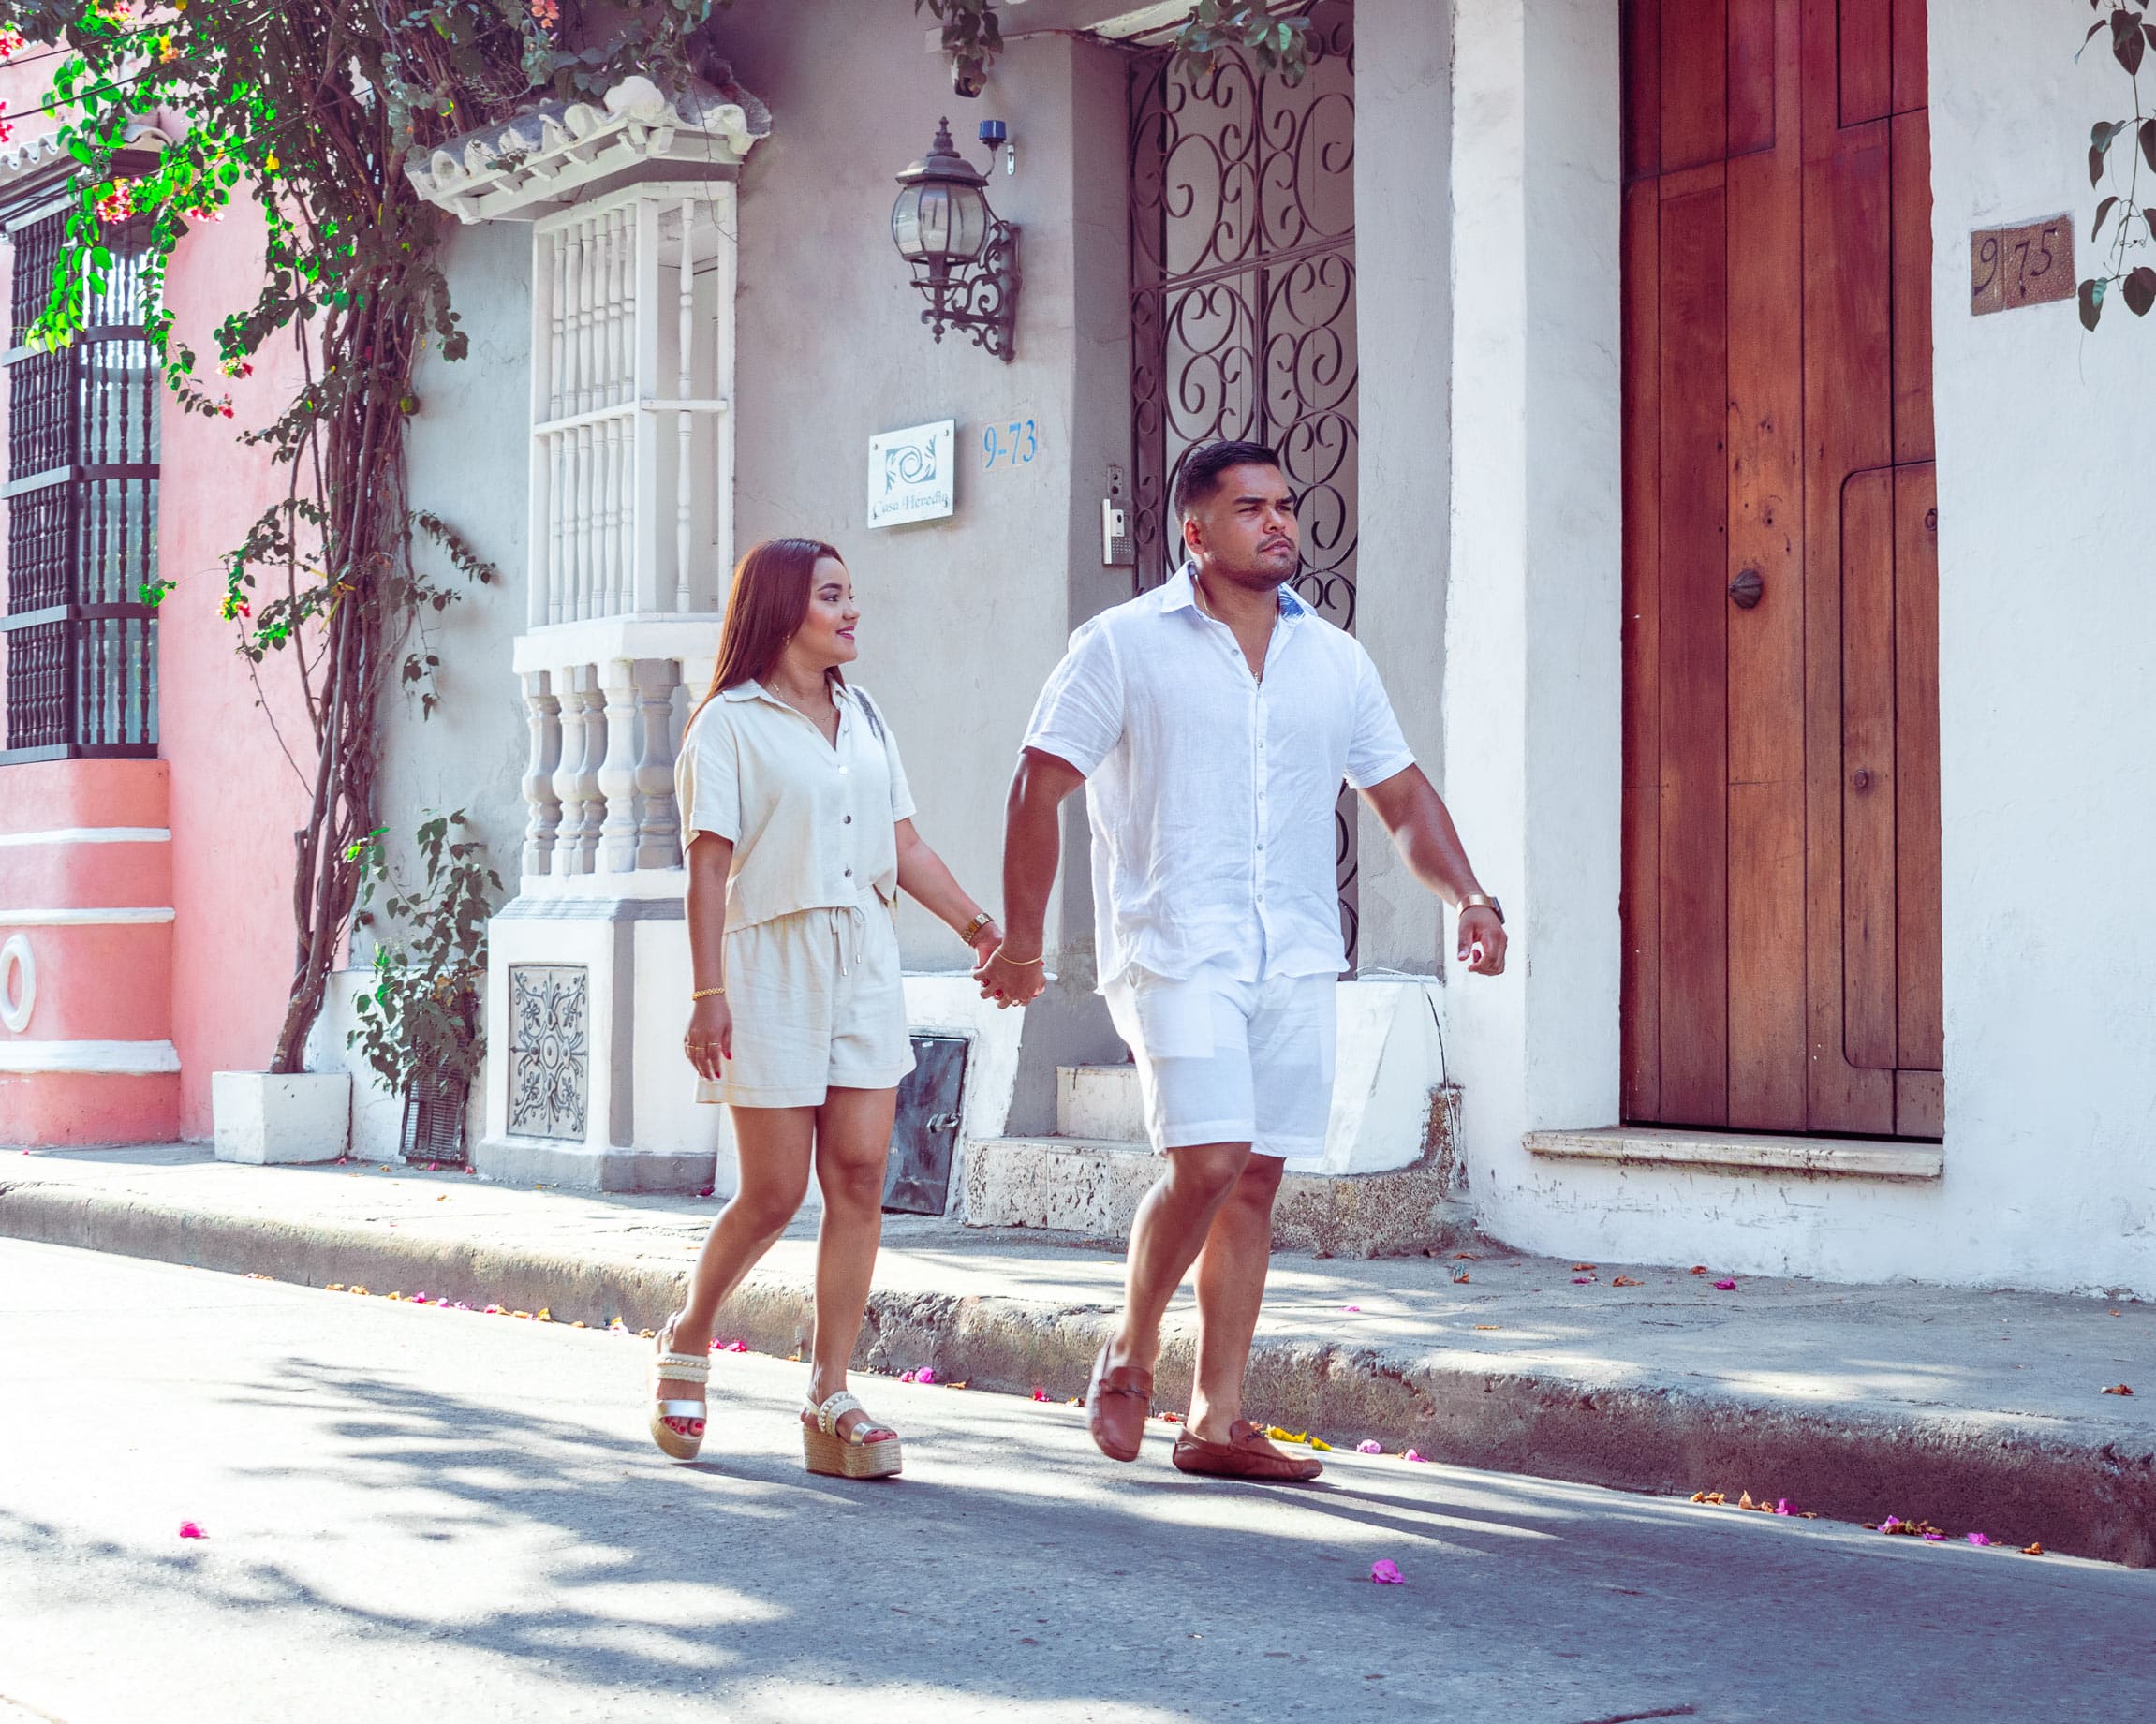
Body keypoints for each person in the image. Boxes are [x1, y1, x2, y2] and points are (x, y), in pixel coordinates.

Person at [975, 441, 1507, 1483]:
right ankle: (1130, 1349)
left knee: (1256, 1177)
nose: (1278, 523)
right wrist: (1027, 937)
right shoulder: (1121, 645)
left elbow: (1398, 795)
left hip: (1296, 947)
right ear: (1195, 529)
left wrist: (1471, 897)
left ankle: (1217, 1418)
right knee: (1209, 1159)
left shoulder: (1335, 660)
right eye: (1250, 507)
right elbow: (1037, 786)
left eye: (1286, 506)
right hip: (1174, 943)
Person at [653, 537, 1005, 1477]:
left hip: (864, 959)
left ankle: (829, 1390)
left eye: (852, 596)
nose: (853, 612)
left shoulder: (865, 716)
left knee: (857, 1176)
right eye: (833, 596)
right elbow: (709, 867)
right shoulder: (726, 725)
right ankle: (688, 1329)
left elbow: (906, 843)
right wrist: (706, 995)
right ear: (782, 609)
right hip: (768, 963)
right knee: (771, 1193)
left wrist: (981, 927)